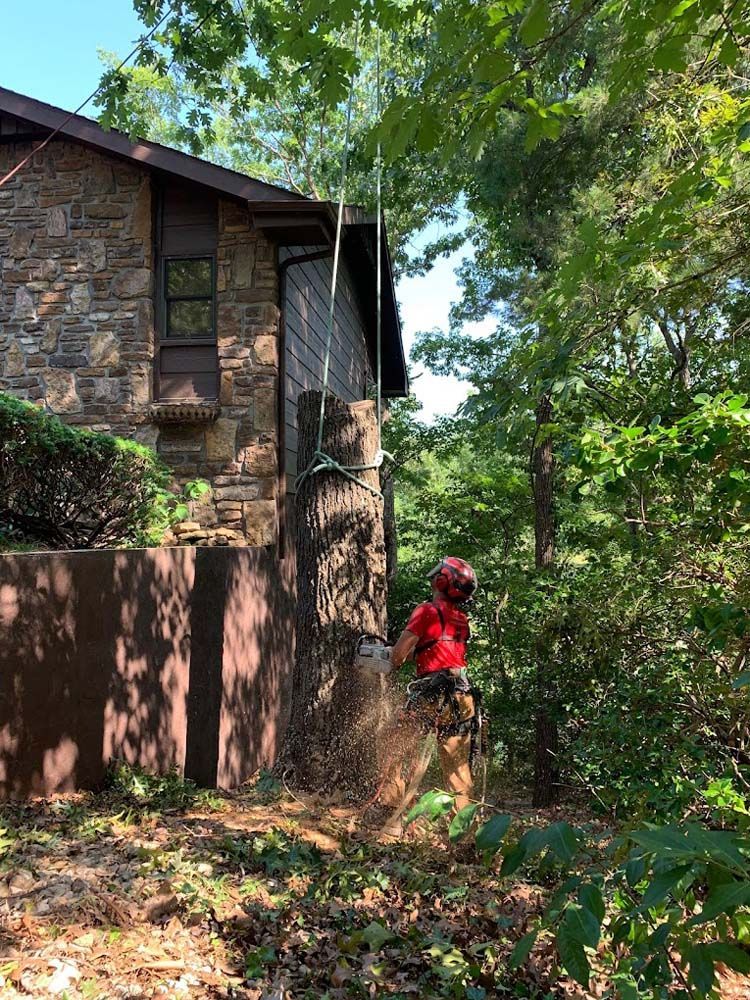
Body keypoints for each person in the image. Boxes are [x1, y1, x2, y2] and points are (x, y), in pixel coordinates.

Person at [377, 556, 479, 823]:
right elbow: (435, 651)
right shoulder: (460, 618)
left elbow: (398, 657)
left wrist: (390, 654)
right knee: (458, 770)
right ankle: (464, 834)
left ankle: (389, 816)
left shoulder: (426, 611)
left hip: (432, 695)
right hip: (461, 696)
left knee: (393, 745)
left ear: (442, 582)